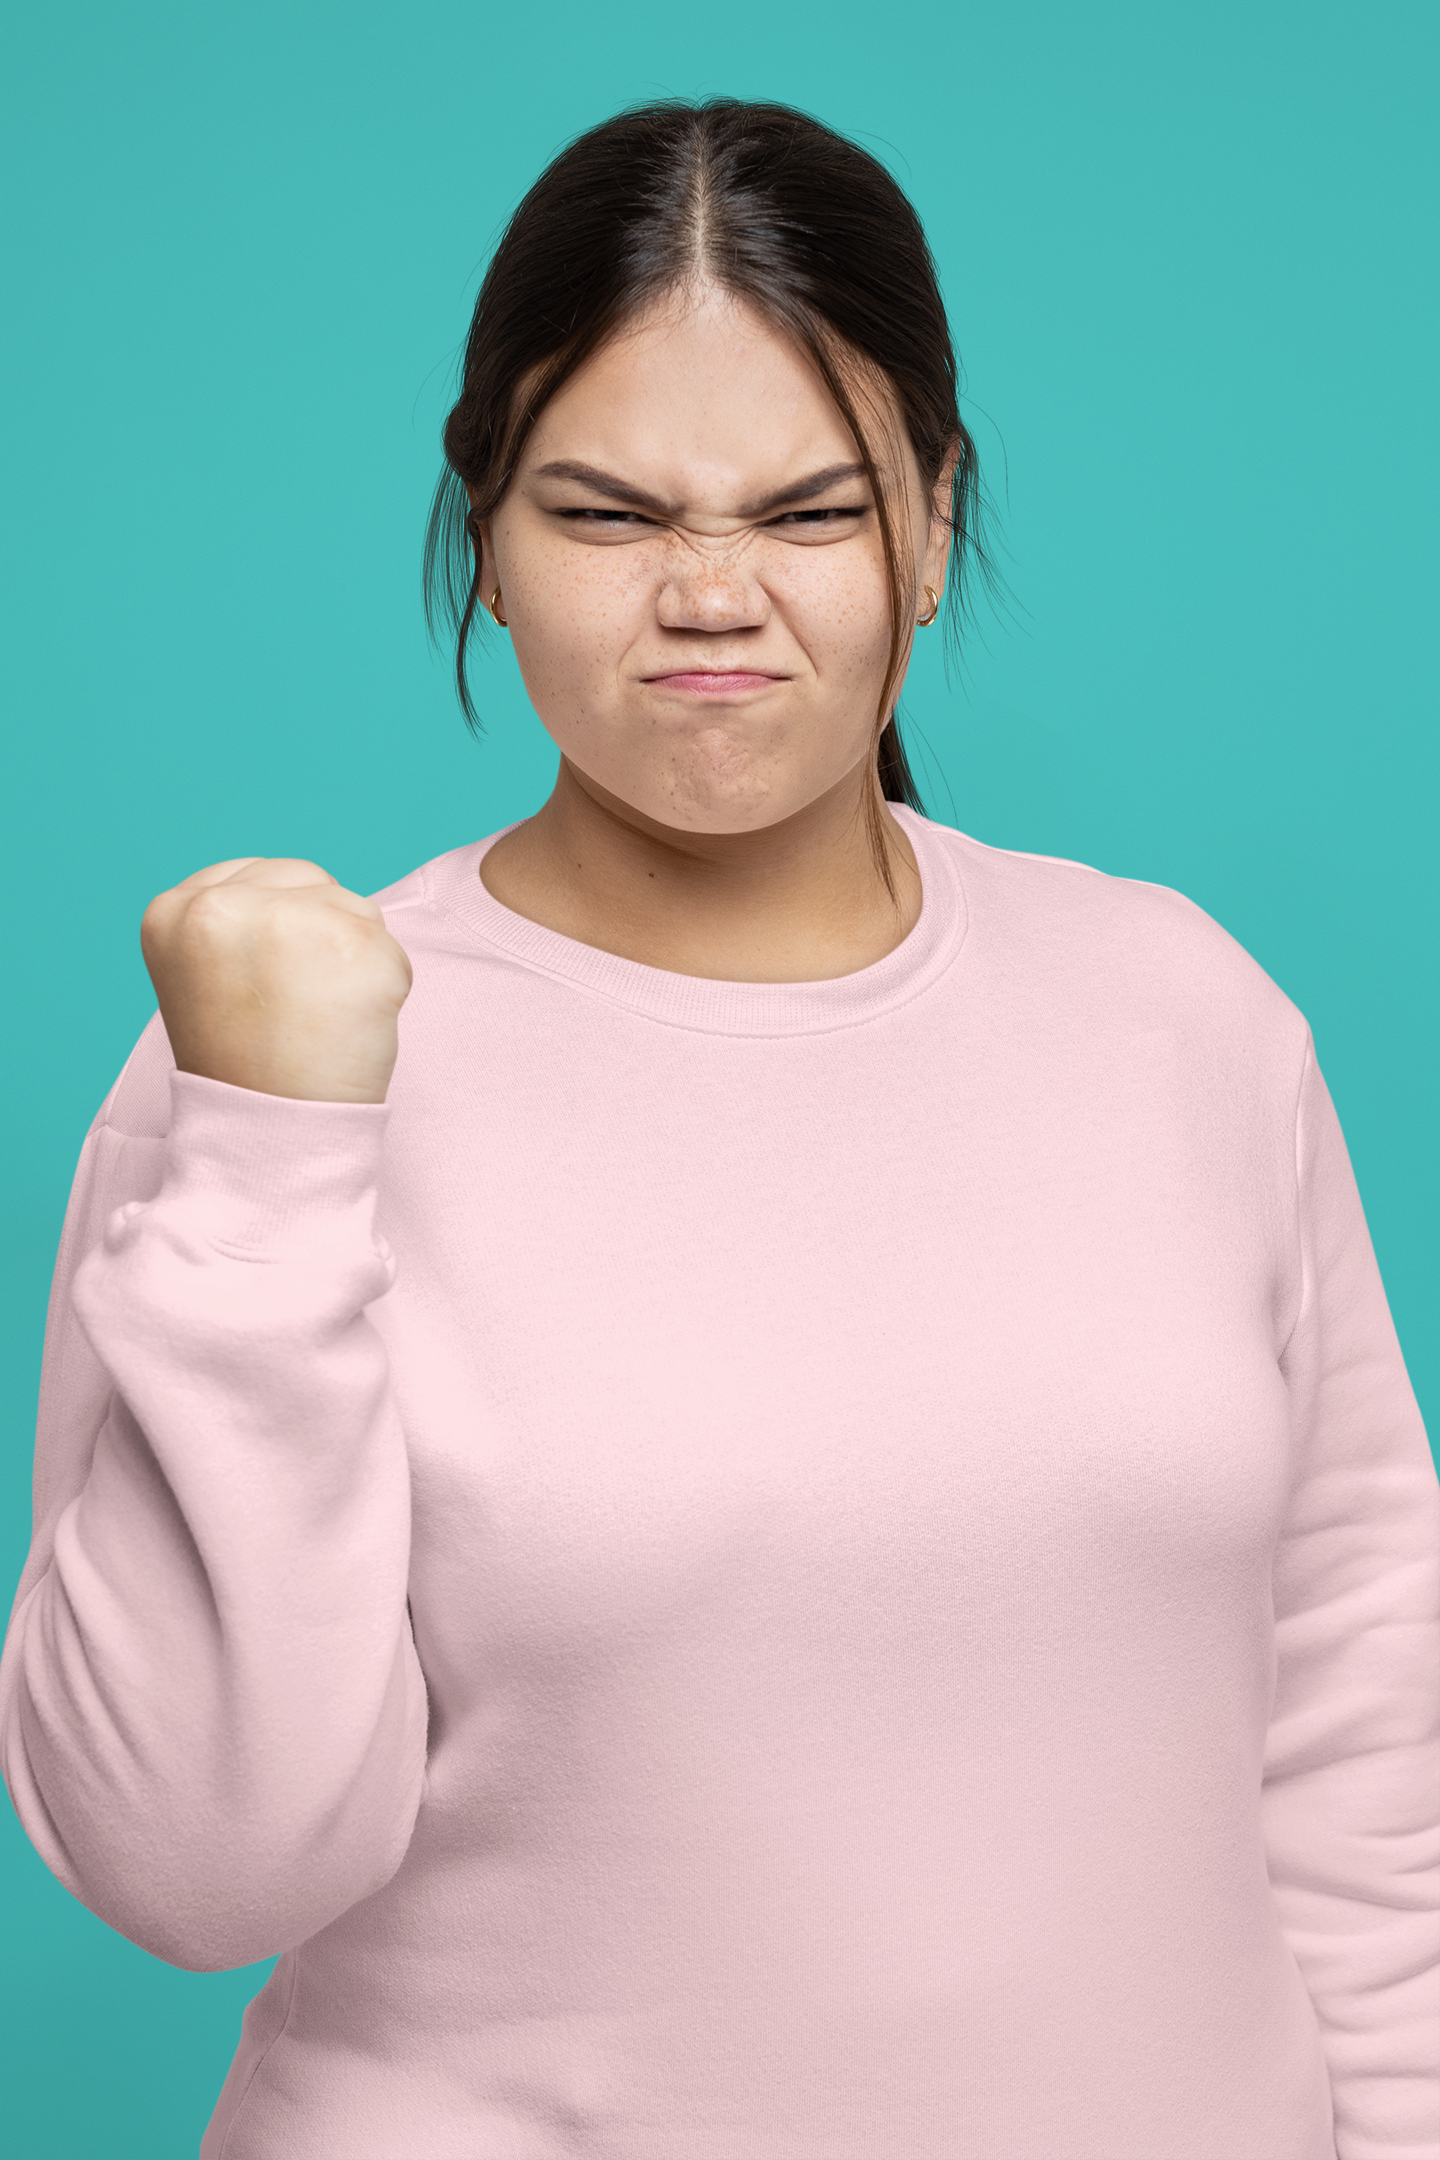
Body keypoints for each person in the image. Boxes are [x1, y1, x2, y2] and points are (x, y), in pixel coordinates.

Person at [1, 95, 1435, 2160]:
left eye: (808, 511)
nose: (707, 596)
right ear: (482, 528)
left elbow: (1368, 1744)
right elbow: (197, 1873)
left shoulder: (1184, 1017)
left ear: (935, 521)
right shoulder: (267, 1086)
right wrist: (267, 1155)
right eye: (603, 515)